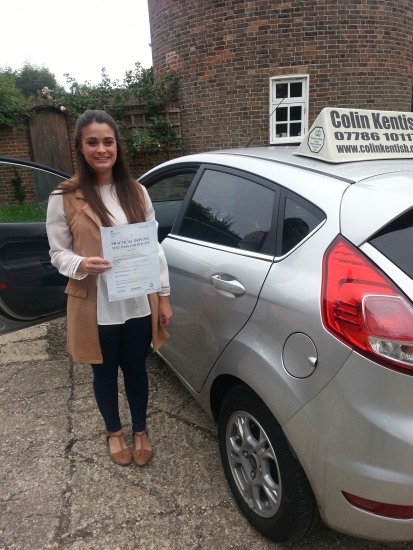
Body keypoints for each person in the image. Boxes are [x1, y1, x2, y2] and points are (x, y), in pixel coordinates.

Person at [46, 109, 172, 467]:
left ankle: (140, 430)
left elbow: (154, 248)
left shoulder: (136, 191)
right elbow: (57, 252)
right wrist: (82, 265)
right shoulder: (65, 196)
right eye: (92, 142)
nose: (101, 149)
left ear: (117, 145)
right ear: (80, 148)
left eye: (108, 141)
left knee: (136, 369)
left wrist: (163, 296)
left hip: (136, 300)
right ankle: (114, 432)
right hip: (95, 304)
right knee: (103, 371)